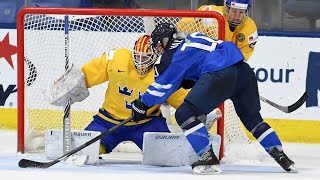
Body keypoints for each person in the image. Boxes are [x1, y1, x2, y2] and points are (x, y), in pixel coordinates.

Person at [131, 23, 296, 174]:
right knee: (252, 119)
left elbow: (162, 88)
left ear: (161, 43)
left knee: (184, 114)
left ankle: (208, 158)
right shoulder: (194, 36)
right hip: (243, 70)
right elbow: (198, 63)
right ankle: (282, 157)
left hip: (219, 74)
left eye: (157, 46)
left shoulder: (171, 55)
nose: (158, 50)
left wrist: (141, 104)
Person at [48, 34, 189, 155]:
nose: (140, 62)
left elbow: (179, 97)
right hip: (108, 121)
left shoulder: (163, 71)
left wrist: (195, 108)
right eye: (137, 57)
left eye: (145, 58)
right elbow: (90, 73)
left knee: (167, 155)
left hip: (147, 123)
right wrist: (71, 85)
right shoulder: (117, 59)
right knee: (85, 152)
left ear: (154, 57)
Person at [176, 0, 258, 61]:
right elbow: (182, 26)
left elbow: (242, 56)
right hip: (199, 57)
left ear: (246, 12)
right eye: (234, 11)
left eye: (241, 12)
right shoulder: (211, 12)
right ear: (227, 9)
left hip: (225, 63)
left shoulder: (250, 28)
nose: (236, 16)